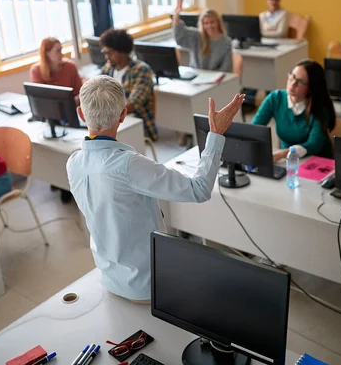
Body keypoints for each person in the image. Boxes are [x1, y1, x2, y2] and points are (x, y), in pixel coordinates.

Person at [67, 75, 244, 302]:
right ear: (123, 115)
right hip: (148, 286)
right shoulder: (129, 164)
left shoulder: (73, 163)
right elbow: (199, 189)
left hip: (110, 279)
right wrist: (216, 134)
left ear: (81, 113)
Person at [31, 37, 83, 203]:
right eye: (57, 51)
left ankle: (72, 183)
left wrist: (69, 101)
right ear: (46, 54)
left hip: (71, 115)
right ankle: (62, 182)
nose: (62, 54)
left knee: (71, 148)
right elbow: (39, 99)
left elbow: (81, 94)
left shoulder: (70, 67)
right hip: (51, 118)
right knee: (54, 148)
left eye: (62, 49)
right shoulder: (37, 70)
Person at [251, 59, 336, 160]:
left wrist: (282, 154)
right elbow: (254, 129)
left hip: (316, 160)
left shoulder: (319, 106)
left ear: (311, 87)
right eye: (292, 76)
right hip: (287, 160)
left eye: (300, 82)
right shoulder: (275, 98)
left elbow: (314, 144)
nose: (293, 83)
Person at [100, 29, 158, 142]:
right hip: (112, 121)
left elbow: (133, 104)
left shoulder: (141, 70)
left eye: (110, 52)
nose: (107, 57)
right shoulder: (108, 69)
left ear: (122, 51)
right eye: (105, 52)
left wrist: (106, 114)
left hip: (137, 125)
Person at [172, 0, 233, 72]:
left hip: (215, 78)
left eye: (212, 22)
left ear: (218, 23)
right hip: (196, 75)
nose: (209, 26)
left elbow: (226, 68)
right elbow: (179, 37)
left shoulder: (226, 42)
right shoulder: (196, 36)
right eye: (206, 23)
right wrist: (176, 15)